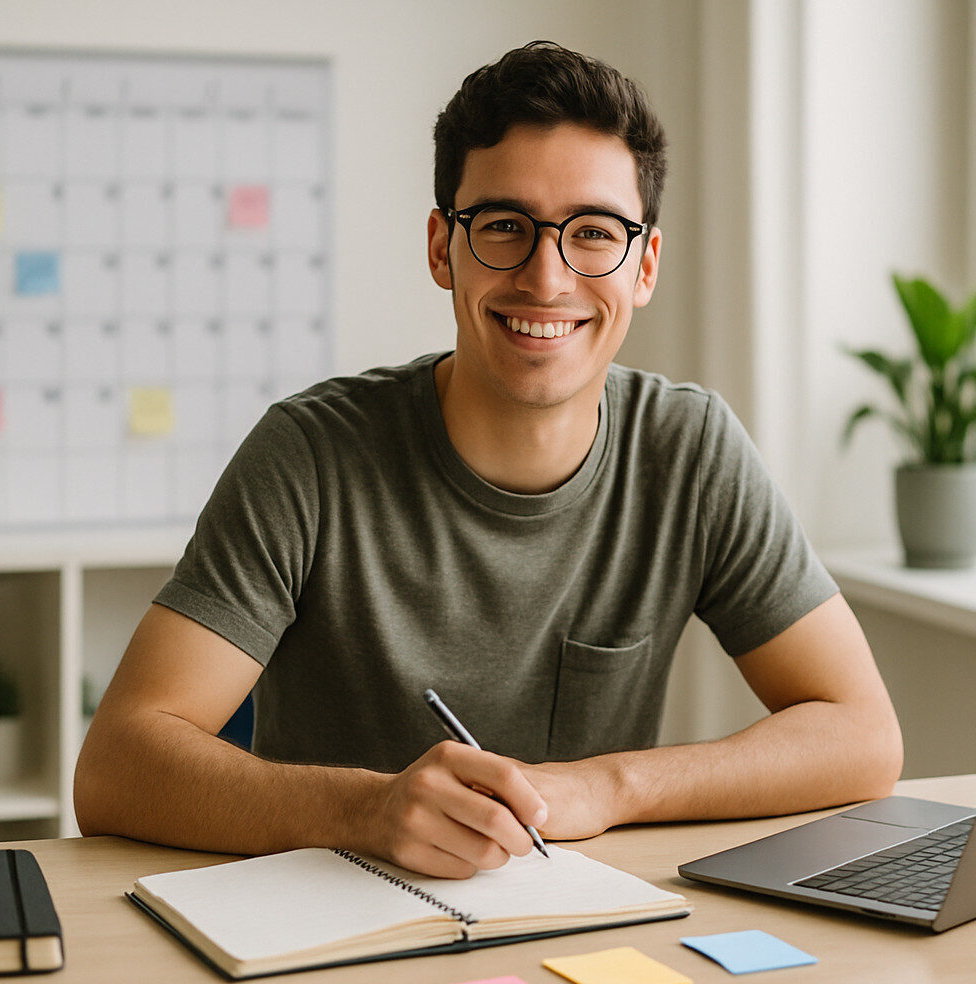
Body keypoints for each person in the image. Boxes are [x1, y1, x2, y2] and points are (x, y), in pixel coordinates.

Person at [75, 41, 902, 880]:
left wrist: (611, 786)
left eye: (593, 233)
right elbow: (117, 766)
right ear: (443, 248)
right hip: (333, 935)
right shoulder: (310, 454)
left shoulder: (689, 450)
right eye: (505, 226)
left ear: (644, 264)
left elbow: (861, 733)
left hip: (581, 930)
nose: (547, 278)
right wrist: (369, 809)